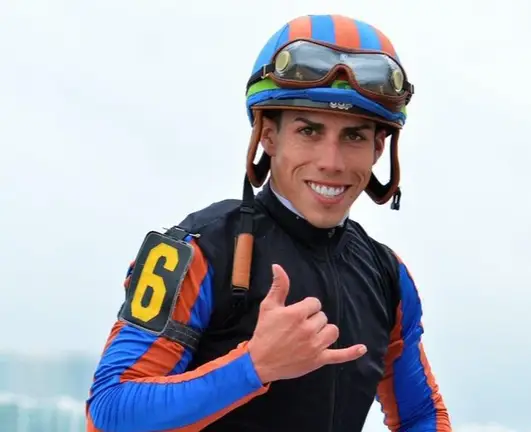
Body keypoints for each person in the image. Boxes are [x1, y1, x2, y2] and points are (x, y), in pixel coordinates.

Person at [85, 13, 451, 432]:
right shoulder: (196, 248)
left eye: (353, 136)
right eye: (309, 131)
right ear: (268, 137)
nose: (331, 162)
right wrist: (254, 365)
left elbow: (421, 415)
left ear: (378, 149)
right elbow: (110, 412)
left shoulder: (388, 275)